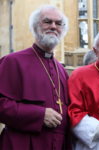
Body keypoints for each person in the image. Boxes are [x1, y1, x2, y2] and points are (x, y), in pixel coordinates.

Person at [0, 5, 72, 150]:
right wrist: (39, 115)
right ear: (34, 27)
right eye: (47, 22)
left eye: (58, 24)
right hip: (22, 144)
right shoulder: (12, 61)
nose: (53, 26)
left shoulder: (62, 70)